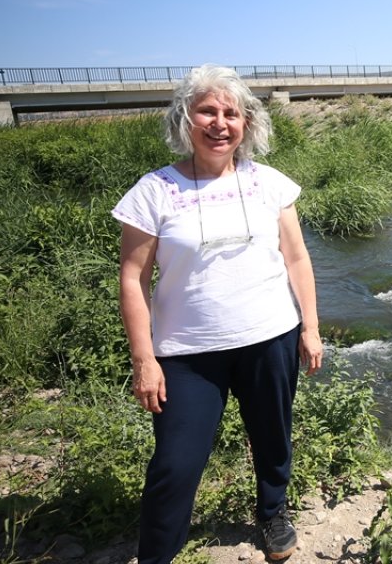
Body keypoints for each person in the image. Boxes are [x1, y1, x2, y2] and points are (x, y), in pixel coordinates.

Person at [113, 64, 323, 563]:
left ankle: (273, 513)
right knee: (175, 463)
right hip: (187, 355)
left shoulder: (270, 184)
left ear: (246, 124)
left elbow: (297, 258)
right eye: (207, 110)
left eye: (231, 113)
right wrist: (144, 359)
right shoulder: (154, 191)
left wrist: (310, 328)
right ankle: (157, 554)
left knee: (273, 436)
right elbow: (132, 278)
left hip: (270, 336)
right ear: (185, 119)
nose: (219, 122)